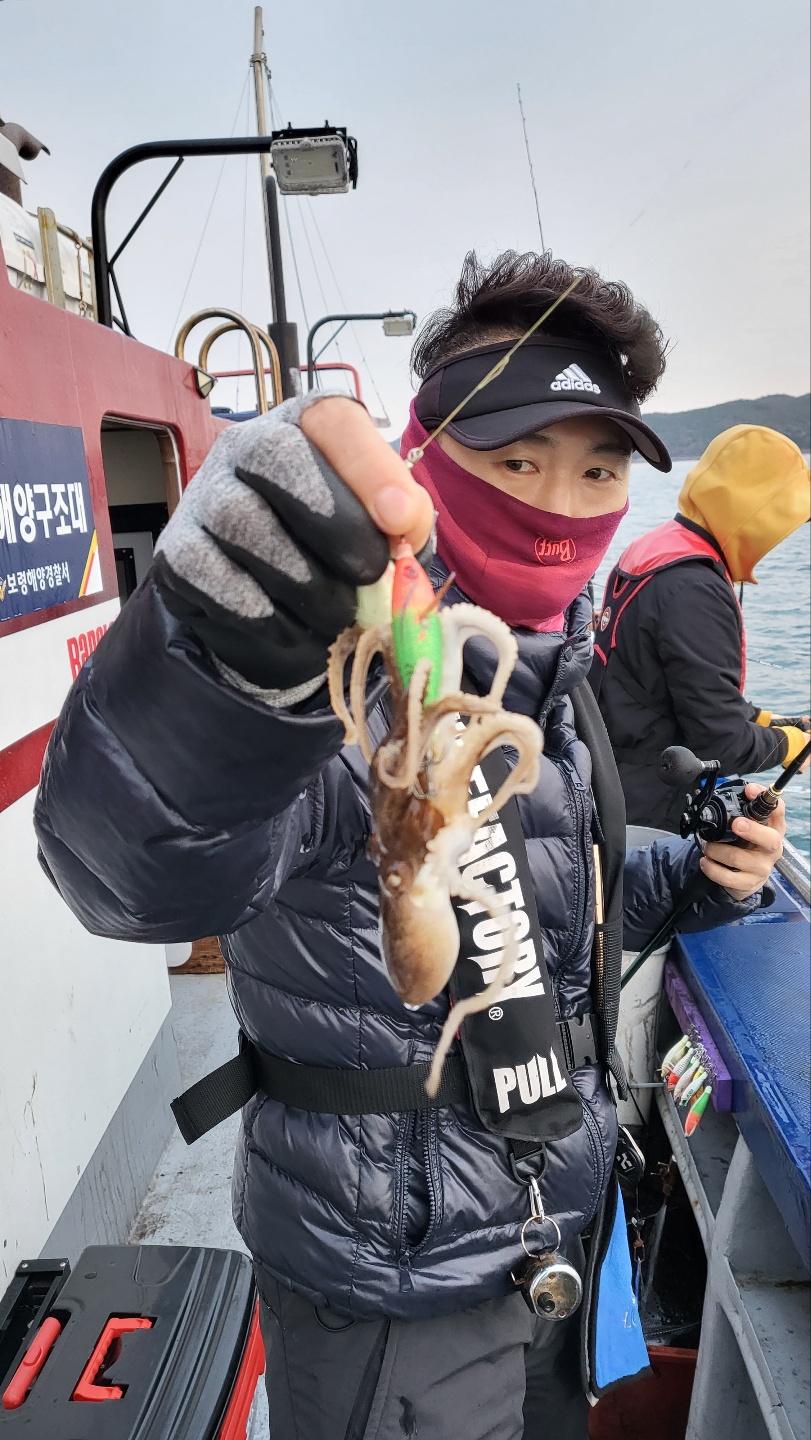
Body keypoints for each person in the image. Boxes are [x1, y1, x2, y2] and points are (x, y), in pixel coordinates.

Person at [34, 252, 784, 1440]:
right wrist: (218, 655)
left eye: (598, 468)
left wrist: (695, 878)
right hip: (387, 1282)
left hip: (551, 1236)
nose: (560, 501)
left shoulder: (556, 683)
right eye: (516, 458)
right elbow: (135, 868)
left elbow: (562, 906)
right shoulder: (329, 690)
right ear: (420, 459)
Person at [590, 425, 810, 831]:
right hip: (650, 808)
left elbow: (681, 689)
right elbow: (722, 743)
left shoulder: (655, 550)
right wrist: (793, 744)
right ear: (759, 512)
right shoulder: (695, 587)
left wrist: (768, 719)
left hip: (608, 776)